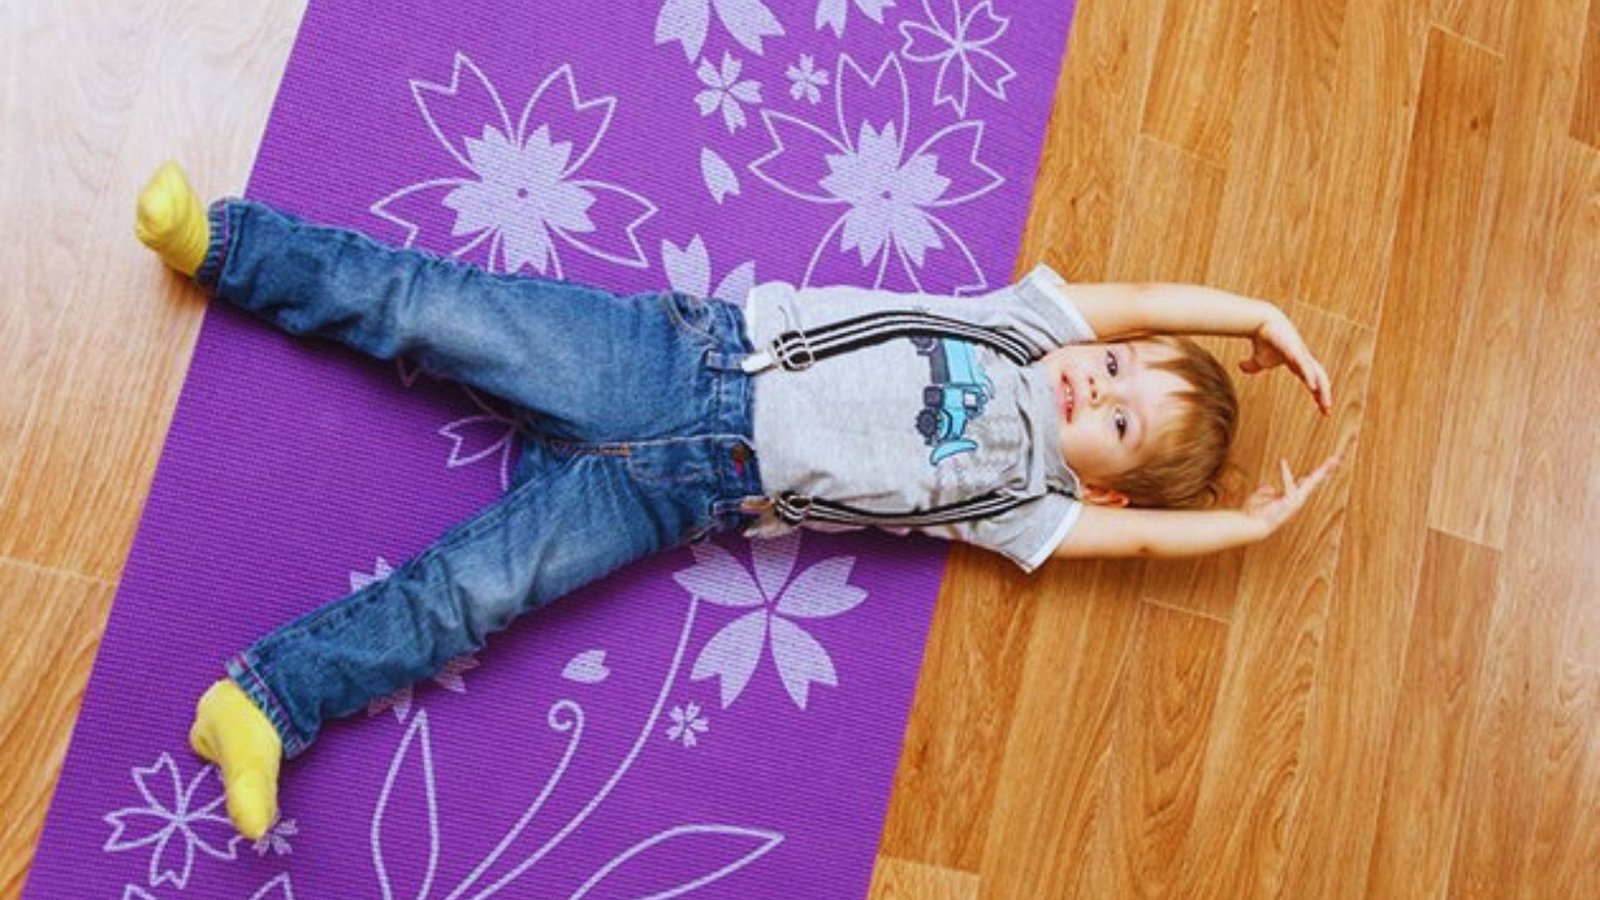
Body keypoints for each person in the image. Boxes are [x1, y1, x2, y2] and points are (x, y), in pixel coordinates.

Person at [134, 161, 1341, 839]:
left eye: (1117, 422)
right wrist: (1253, 319)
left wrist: (1243, 527)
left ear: (1106, 490)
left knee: (470, 598)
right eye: (1121, 366)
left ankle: (260, 703)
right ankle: (230, 249)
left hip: (685, 497)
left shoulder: (1027, 502)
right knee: (433, 307)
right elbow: (1134, 302)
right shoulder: (1027, 331)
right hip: (676, 360)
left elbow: (1135, 552)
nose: (1099, 383)